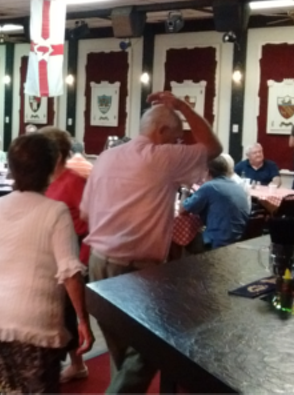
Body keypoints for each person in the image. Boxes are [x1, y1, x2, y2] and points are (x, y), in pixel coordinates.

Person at [81, 90, 222, 394]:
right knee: (149, 350)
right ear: (161, 132)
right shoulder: (161, 157)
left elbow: (85, 211)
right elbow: (213, 147)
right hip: (137, 270)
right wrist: (182, 106)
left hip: (98, 263)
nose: (179, 144)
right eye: (177, 137)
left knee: (122, 354)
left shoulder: (105, 157)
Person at [0, 133, 94, 394]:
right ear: (52, 166)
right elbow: (70, 273)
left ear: (12, 168)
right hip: (34, 321)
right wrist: (82, 320)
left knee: (11, 389)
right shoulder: (55, 212)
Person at [38, 126, 91, 384]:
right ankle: (69, 363)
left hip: (73, 250)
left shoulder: (73, 181)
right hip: (56, 250)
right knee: (59, 311)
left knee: (67, 312)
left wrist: (81, 259)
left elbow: (92, 220)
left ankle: (76, 364)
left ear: (57, 155)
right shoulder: (52, 178)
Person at [182, 156, 250, 251]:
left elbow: (183, 210)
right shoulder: (237, 186)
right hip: (238, 240)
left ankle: (176, 265)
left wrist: (185, 189)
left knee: (179, 240)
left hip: (217, 243)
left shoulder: (210, 186)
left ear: (207, 171)